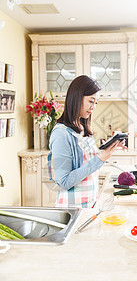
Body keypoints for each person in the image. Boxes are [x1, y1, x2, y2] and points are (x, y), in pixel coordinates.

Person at [48, 75, 126, 208]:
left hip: (88, 205)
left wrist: (109, 150)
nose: (94, 107)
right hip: (72, 208)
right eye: (91, 101)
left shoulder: (82, 127)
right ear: (77, 97)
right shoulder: (61, 134)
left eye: (96, 102)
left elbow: (89, 167)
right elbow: (64, 181)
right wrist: (100, 158)